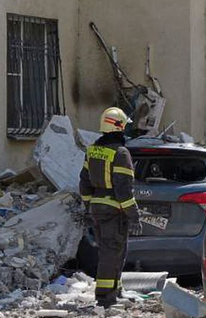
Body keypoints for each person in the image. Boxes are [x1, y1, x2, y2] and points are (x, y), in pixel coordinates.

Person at [79, 107, 140, 308]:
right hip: (114, 210)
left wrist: (89, 206)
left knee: (113, 251)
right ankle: (105, 297)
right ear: (119, 127)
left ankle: (115, 290)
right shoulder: (121, 153)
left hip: (98, 208)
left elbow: (84, 183)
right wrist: (134, 215)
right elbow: (123, 189)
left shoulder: (92, 150)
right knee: (111, 253)